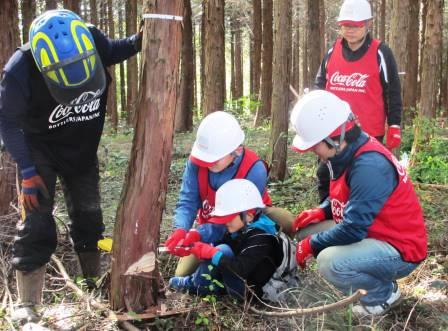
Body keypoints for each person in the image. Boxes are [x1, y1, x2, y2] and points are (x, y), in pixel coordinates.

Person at [0, 9, 142, 322]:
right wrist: (26, 170)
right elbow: (7, 123)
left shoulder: (91, 38)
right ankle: (27, 305)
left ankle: (90, 283)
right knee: (37, 222)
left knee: (89, 217)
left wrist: (137, 42)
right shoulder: (20, 70)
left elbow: (112, 50)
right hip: (40, 152)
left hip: (81, 150)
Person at [289, 90, 427, 316]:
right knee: (307, 231)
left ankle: (382, 294)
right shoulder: (345, 153)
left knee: (329, 262)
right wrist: (323, 211)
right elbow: (351, 197)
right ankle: (373, 280)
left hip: (400, 249)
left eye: (315, 146)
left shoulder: (369, 165)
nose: (314, 151)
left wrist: (311, 246)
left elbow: (353, 229)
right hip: (374, 231)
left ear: (334, 137)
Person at [165, 111, 294, 277]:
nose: (207, 163)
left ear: (237, 151)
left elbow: (235, 220)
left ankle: (267, 253)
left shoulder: (254, 169)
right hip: (211, 224)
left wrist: (199, 234)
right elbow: (187, 201)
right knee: (182, 274)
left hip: (247, 223)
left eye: (214, 158)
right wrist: (181, 229)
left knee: (285, 220)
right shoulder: (196, 162)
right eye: (205, 158)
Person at [314, 0, 402, 202]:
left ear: (367, 24)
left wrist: (395, 124)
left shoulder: (381, 52)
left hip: (368, 134)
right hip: (334, 133)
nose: (350, 30)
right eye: (346, 25)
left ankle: (362, 225)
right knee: (327, 176)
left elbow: (393, 90)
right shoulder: (332, 51)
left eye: (356, 25)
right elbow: (320, 85)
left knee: (363, 181)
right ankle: (328, 217)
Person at [169, 179, 298, 302]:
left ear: (248, 215)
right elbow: (230, 243)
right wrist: (197, 243)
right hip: (248, 280)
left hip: (255, 293)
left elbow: (240, 269)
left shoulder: (262, 238)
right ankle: (211, 284)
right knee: (219, 247)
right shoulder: (245, 227)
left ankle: (198, 286)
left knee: (222, 251)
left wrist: (213, 254)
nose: (225, 222)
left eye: (229, 217)